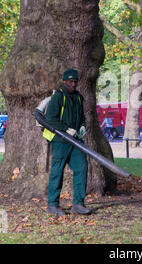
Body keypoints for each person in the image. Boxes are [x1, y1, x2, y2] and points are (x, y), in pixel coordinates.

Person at [45, 68, 91, 216]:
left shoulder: (78, 97)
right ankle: (52, 205)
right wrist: (66, 129)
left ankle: (78, 204)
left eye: (75, 81)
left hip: (75, 141)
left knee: (82, 167)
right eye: (70, 81)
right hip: (60, 141)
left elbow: (82, 117)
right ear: (64, 82)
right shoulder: (58, 97)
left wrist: (83, 126)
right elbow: (50, 119)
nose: (73, 84)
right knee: (57, 172)